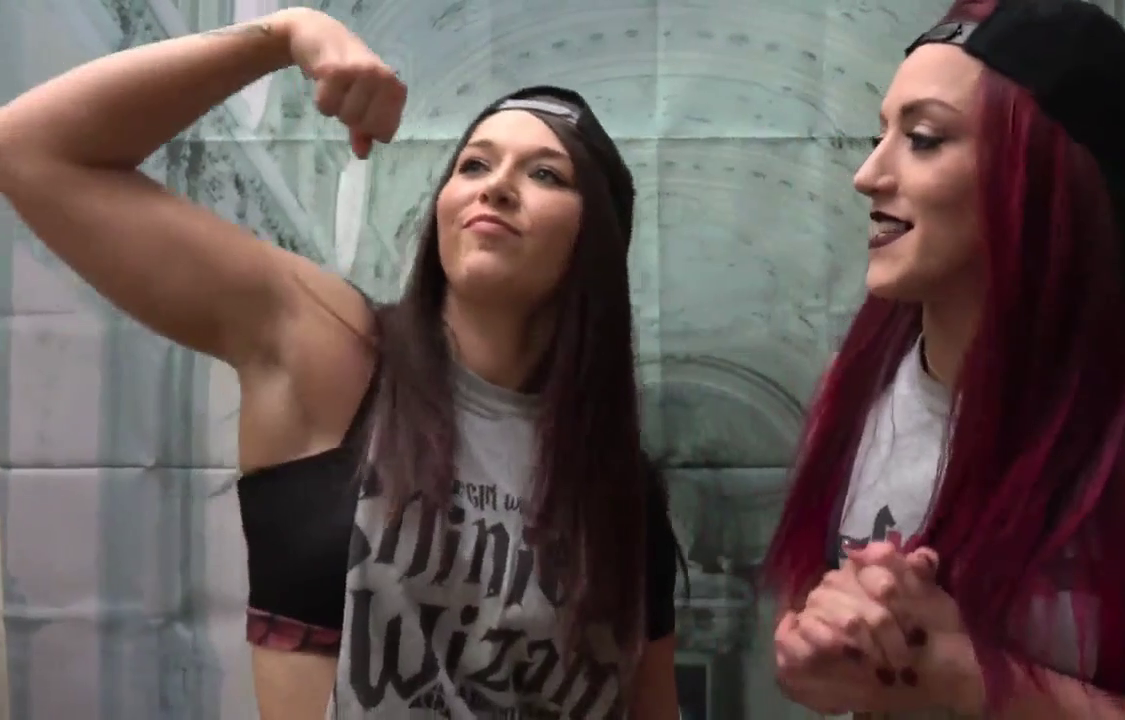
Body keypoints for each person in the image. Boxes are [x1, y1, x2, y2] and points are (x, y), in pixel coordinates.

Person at [0, 7, 682, 719]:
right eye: (474, 164)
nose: (496, 186)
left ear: (597, 239)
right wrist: (284, 35)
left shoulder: (621, 492)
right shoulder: (339, 359)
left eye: (545, 173)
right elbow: (30, 149)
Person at [764, 0, 1125, 717]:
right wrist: (817, 655)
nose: (867, 174)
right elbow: (813, 626)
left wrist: (973, 680)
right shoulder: (855, 383)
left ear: (1042, 178)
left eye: (922, 139)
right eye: (881, 134)